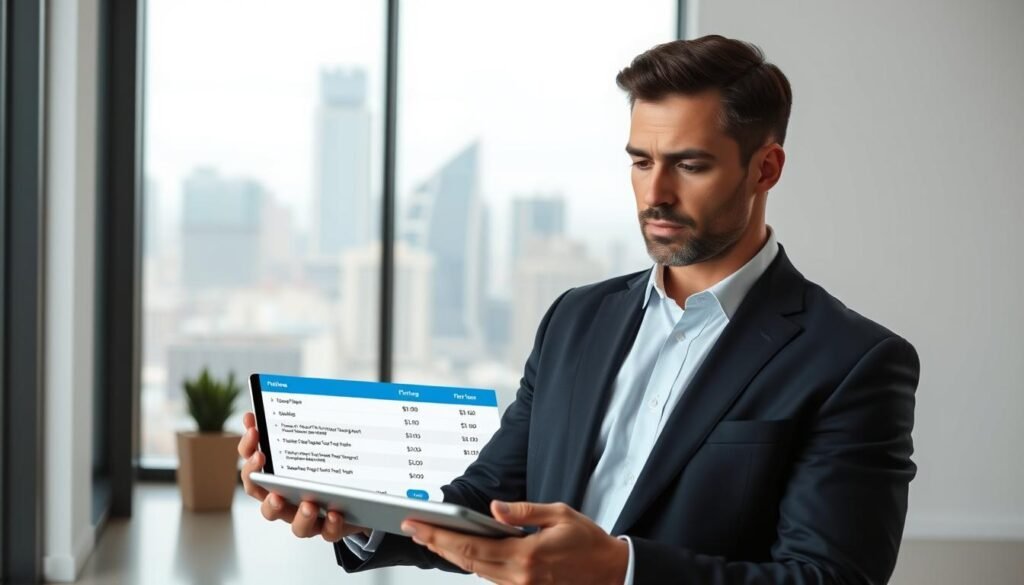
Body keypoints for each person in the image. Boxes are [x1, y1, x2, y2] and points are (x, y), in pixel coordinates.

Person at [238, 35, 919, 584]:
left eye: (689, 164)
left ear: (765, 168)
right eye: (639, 160)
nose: (655, 193)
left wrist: (623, 570)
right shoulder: (576, 318)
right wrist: (353, 512)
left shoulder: (852, 361)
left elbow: (828, 576)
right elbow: (488, 500)